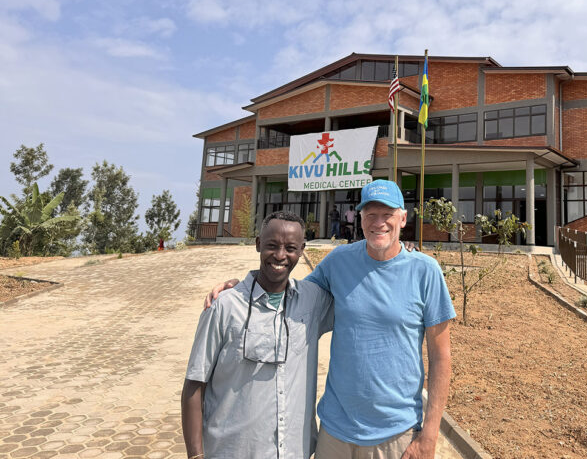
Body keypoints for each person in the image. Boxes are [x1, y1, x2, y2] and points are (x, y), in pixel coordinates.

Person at [205, 180, 455, 458]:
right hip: (335, 432)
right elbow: (290, 295)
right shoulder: (339, 262)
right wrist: (243, 289)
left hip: (395, 434)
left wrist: (430, 434)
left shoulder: (426, 271)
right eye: (371, 214)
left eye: (387, 214)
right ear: (360, 219)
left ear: (403, 218)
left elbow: (441, 357)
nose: (379, 223)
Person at [182, 211, 333, 459]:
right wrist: (196, 456)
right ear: (258, 244)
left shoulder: (313, 300)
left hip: (295, 452)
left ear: (302, 249)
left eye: (291, 248)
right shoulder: (224, 306)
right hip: (233, 451)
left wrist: (402, 249)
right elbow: (194, 384)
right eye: (272, 245)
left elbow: (358, 289)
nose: (280, 255)